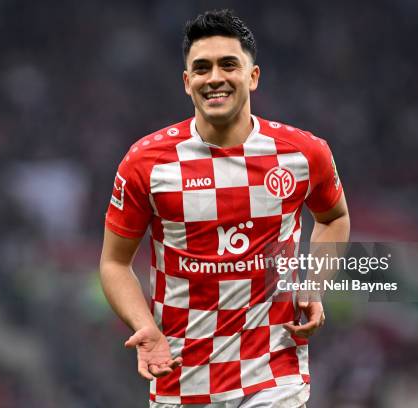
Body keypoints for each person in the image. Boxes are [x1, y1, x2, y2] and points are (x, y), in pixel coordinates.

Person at [100, 9, 350, 407]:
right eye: (201, 68)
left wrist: (313, 283)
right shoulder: (146, 162)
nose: (214, 77)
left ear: (253, 76)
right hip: (179, 379)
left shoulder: (303, 153)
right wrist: (144, 326)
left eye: (228, 65)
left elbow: (333, 216)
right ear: (187, 83)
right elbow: (114, 263)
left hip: (274, 376)